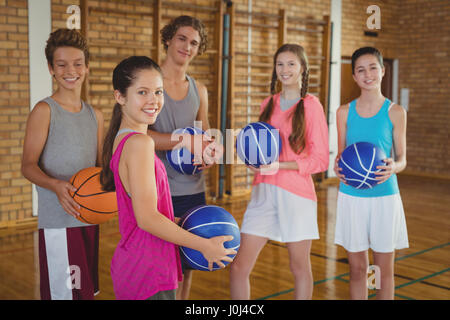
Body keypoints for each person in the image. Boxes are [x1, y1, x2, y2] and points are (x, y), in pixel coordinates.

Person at [100, 56, 234, 300]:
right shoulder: (139, 143)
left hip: (139, 264)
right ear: (119, 96)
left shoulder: (123, 139)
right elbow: (147, 219)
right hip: (148, 270)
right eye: (143, 92)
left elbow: (141, 210)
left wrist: (177, 220)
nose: (153, 101)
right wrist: (204, 246)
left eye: (158, 92)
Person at [229, 44, 329, 300]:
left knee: (299, 267)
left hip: (296, 196)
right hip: (263, 193)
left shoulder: (311, 106)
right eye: (280, 64)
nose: (285, 70)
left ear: (303, 68)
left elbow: (320, 160)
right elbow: (261, 147)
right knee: (239, 266)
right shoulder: (268, 103)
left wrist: (281, 166)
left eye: (291, 64)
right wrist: (251, 160)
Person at [21, 28, 104, 300]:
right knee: (65, 296)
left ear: (87, 67)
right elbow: (28, 165)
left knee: (85, 293)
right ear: (51, 69)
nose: (71, 70)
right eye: (62, 64)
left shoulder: (96, 116)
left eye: (78, 64)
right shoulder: (44, 111)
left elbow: (101, 171)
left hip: (90, 218)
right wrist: (55, 185)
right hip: (59, 224)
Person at [147, 15, 221, 300]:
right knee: (162, 264)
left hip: (193, 189)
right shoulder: (151, 84)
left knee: (188, 263)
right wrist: (183, 140)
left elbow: (206, 136)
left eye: (194, 43)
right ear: (168, 38)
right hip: (158, 189)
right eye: (181, 38)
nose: (187, 47)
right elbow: (140, 137)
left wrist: (210, 151)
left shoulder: (198, 90)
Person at [333, 46, 409, 300]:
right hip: (351, 198)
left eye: (373, 68)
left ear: (383, 71)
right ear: (354, 76)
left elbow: (402, 160)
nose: (368, 74)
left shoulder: (396, 112)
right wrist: (337, 166)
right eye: (360, 70)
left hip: (385, 198)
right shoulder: (344, 112)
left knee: (383, 270)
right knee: (357, 269)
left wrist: (393, 168)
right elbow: (341, 155)